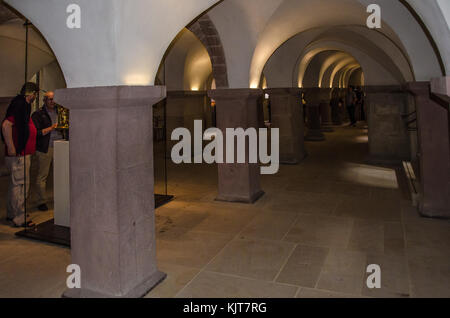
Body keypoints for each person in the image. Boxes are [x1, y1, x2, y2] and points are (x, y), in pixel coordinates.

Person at [1, 82, 39, 228]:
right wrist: (11, 147)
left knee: (15, 184)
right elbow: (6, 125)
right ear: (32, 94)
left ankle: (12, 213)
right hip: (18, 154)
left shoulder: (20, 104)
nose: (35, 96)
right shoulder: (20, 104)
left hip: (20, 153)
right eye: (35, 94)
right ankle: (19, 217)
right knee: (21, 185)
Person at [31, 91, 61, 211]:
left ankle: (61, 197)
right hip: (45, 147)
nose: (52, 101)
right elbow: (35, 133)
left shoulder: (59, 111)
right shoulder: (38, 114)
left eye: (54, 99)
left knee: (61, 174)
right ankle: (41, 201)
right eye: (49, 99)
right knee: (43, 175)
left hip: (60, 146)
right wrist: (51, 128)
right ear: (44, 100)